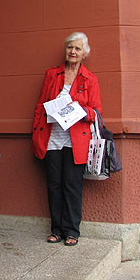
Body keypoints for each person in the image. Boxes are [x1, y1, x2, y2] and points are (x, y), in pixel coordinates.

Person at [31, 32, 102, 247]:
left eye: (77, 48)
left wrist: (80, 111)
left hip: (76, 140)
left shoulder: (90, 79)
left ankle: (72, 230)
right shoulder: (52, 74)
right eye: (70, 47)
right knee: (54, 185)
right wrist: (36, 133)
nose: (72, 51)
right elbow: (40, 106)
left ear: (84, 53)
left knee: (72, 185)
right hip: (52, 137)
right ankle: (56, 229)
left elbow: (96, 112)